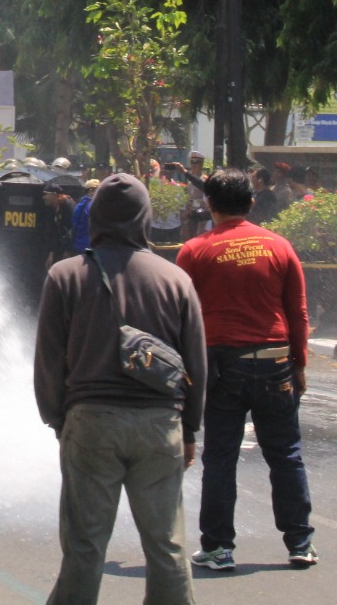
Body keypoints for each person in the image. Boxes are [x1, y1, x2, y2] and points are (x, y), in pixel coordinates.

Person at [35, 173, 206, 605]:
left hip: (90, 421)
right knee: (167, 545)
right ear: (145, 218)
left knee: (84, 546)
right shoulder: (175, 280)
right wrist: (189, 430)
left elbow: (49, 360)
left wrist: (58, 418)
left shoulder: (65, 276)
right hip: (159, 423)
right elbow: (196, 364)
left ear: (95, 217)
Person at [176, 169, 316, 571]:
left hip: (221, 367)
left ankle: (219, 548)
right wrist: (300, 363)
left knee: (220, 458)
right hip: (275, 362)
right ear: (251, 202)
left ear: (209, 204)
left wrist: (188, 375)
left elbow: (183, 319)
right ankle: (300, 543)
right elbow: (297, 313)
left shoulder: (194, 251)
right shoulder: (279, 246)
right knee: (286, 454)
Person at [71, 178, 96, 253]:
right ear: (91, 191)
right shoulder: (92, 205)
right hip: (89, 246)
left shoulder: (79, 204)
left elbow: (74, 223)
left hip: (78, 244)